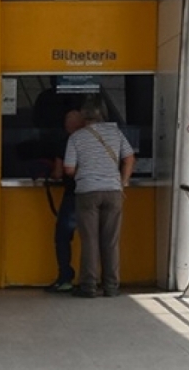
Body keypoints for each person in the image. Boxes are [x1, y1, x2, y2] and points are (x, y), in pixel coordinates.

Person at [63, 96, 134, 298]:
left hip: (87, 193)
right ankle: (111, 286)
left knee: (90, 241)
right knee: (111, 241)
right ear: (103, 114)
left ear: (83, 116)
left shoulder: (76, 138)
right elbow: (129, 158)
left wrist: (83, 173)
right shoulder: (115, 133)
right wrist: (123, 182)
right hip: (113, 191)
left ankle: (89, 286)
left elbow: (68, 168)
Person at [45, 107, 85, 293]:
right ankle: (90, 280)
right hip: (94, 193)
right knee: (92, 238)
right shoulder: (92, 141)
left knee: (62, 236)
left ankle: (65, 278)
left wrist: (50, 172)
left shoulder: (66, 143)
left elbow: (60, 172)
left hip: (73, 196)